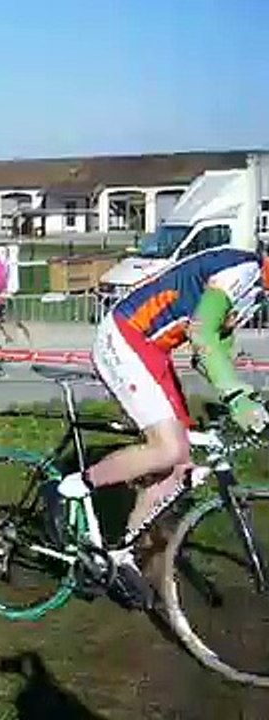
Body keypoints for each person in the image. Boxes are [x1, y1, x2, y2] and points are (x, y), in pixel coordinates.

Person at [54, 245, 269, 607]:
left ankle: (119, 555)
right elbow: (201, 333)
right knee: (168, 447)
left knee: (179, 467)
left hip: (152, 351)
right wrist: (234, 396)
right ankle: (74, 488)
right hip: (125, 337)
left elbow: (212, 352)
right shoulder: (241, 270)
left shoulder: (254, 291)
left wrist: (243, 394)